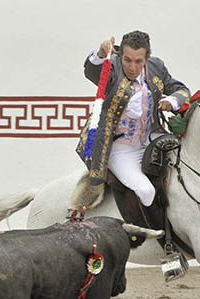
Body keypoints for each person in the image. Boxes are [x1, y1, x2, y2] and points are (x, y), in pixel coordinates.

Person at [76, 30, 190, 208]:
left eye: (138, 61)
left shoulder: (156, 66)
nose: (132, 67)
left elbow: (181, 90)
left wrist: (172, 100)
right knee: (146, 191)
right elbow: (93, 72)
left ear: (147, 58)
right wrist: (100, 54)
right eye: (127, 60)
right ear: (120, 55)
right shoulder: (112, 65)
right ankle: (145, 234)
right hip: (121, 149)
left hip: (153, 140)